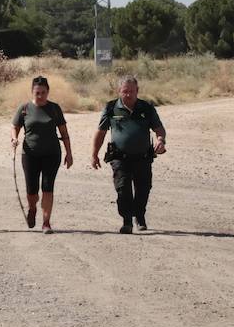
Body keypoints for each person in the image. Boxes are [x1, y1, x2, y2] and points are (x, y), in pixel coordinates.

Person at [91, 75, 167, 234]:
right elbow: (101, 132)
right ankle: (127, 221)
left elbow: (159, 129)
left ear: (137, 91)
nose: (128, 94)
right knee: (122, 189)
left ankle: (139, 216)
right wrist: (94, 154)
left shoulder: (146, 108)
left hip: (143, 157)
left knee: (143, 189)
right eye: (125, 91)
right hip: (120, 158)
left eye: (131, 91)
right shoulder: (111, 108)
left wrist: (161, 140)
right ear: (119, 91)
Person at [11, 76, 73, 234]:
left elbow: (64, 132)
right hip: (30, 154)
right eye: (37, 93)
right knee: (32, 190)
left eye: (43, 92)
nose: (40, 96)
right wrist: (14, 138)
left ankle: (46, 222)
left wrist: (69, 153)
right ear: (32, 92)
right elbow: (15, 127)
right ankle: (32, 208)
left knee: (47, 187)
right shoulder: (24, 108)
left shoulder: (54, 108)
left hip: (52, 154)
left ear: (48, 92)